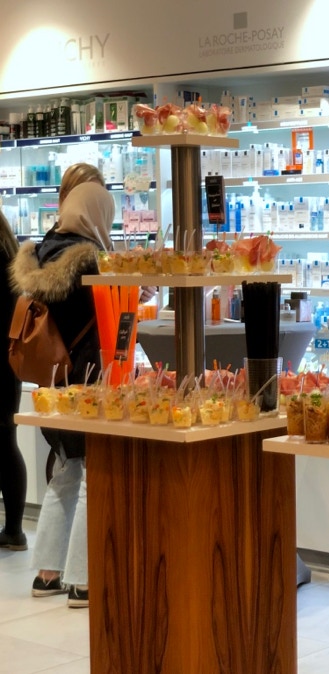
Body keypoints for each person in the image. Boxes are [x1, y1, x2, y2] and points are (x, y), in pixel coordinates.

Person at [9, 163, 112, 609]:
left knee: (66, 470)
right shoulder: (88, 259)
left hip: (49, 380)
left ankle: (47, 573)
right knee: (91, 473)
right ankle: (84, 580)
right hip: (84, 377)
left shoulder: (42, 251)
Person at [0, 212, 27, 551]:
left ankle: (14, 531)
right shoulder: (10, 251)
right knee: (6, 443)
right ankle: (15, 530)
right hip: (10, 362)